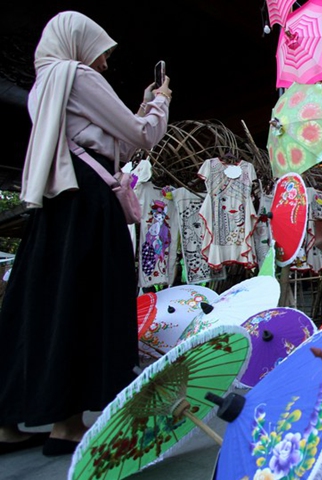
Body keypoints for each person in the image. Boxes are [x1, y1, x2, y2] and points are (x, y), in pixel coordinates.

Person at [0, 11, 171, 456]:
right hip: (89, 201)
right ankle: (67, 423)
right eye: (103, 54)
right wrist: (161, 102)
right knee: (90, 300)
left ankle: (12, 421)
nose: (105, 66)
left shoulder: (43, 87)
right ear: (79, 44)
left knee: (40, 303)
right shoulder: (76, 75)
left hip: (55, 201)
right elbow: (141, 135)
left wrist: (137, 110)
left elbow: (111, 140)